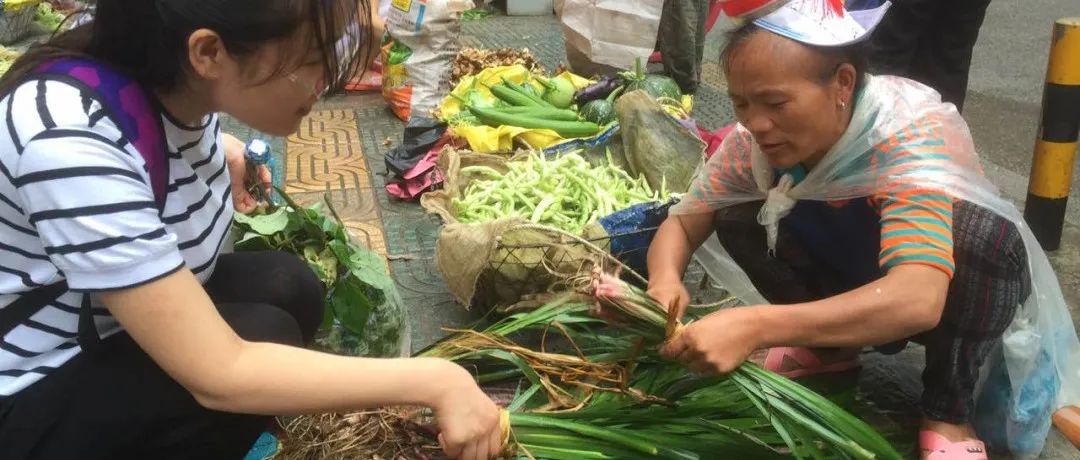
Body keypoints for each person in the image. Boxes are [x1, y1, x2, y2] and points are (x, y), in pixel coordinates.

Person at [0, 1, 502, 459]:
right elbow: (221, 374)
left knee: (290, 285)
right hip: (28, 389)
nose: (326, 81)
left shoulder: (164, 71)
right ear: (209, 52)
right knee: (255, 350)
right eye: (311, 57)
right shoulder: (66, 138)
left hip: (100, 328)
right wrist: (437, 380)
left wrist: (226, 150)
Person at [640, 1, 1078, 459]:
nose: (756, 123)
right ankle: (832, 349)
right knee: (735, 212)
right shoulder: (750, 145)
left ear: (843, 83)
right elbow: (684, 221)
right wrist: (664, 281)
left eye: (775, 103)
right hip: (861, 263)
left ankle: (948, 411)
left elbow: (919, 298)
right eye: (741, 103)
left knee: (985, 240)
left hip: (943, 289)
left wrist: (755, 326)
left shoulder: (903, 132)